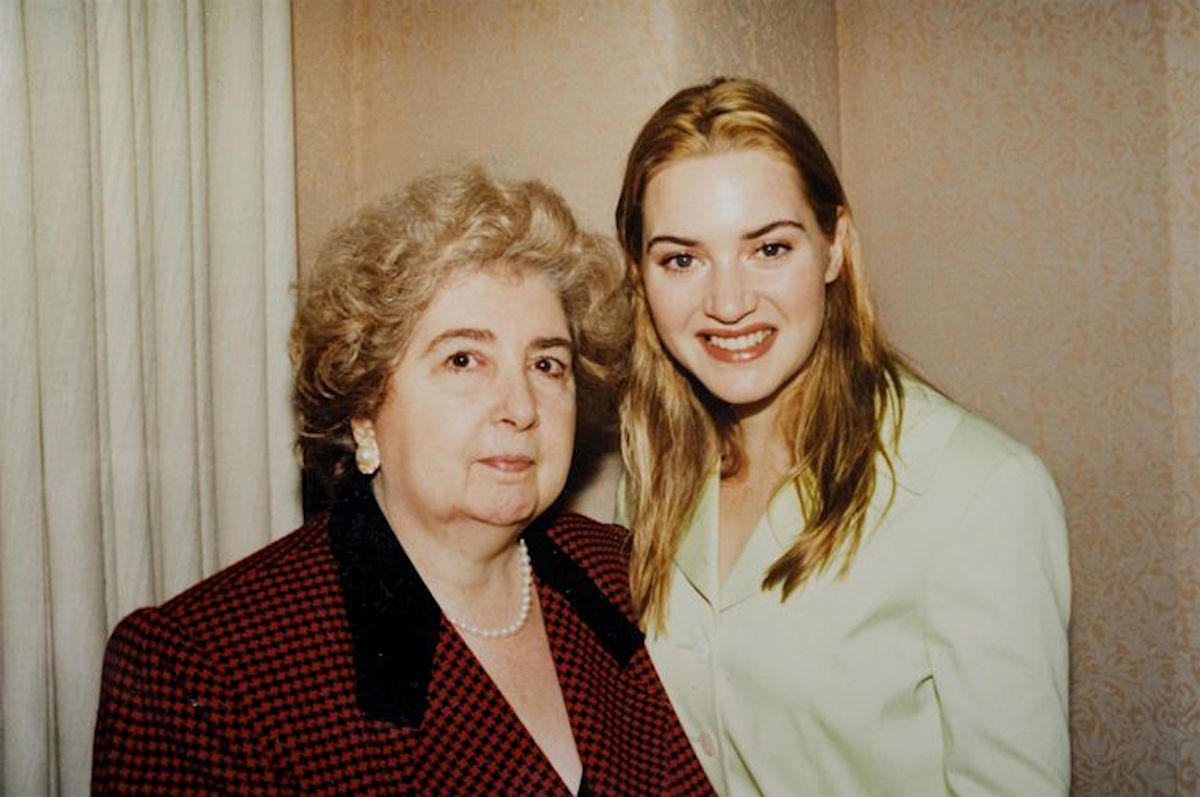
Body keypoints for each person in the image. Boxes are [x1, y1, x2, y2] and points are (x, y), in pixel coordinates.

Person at [92, 167, 714, 795]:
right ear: (365, 409)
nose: (521, 407)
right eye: (463, 360)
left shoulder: (621, 574)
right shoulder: (202, 667)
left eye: (547, 364)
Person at [614, 77, 1070, 795]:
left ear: (834, 247)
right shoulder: (653, 472)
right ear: (641, 276)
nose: (728, 302)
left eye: (769, 249)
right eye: (682, 259)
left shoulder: (979, 490)